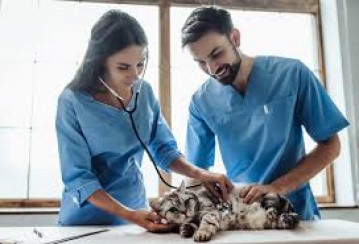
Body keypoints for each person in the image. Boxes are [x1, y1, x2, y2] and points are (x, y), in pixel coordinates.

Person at [55, 9, 233, 230]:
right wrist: (128, 214)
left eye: (140, 63)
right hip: (86, 220)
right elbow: (79, 178)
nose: (135, 75)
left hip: (137, 214)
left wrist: (201, 174)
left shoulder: (144, 92)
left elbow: (164, 149)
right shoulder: (72, 102)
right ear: (100, 62)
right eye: (123, 67)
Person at [181, 6, 349, 220]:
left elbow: (331, 145)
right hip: (244, 216)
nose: (212, 68)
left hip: (295, 212)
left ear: (235, 37)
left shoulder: (292, 75)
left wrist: (276, 188)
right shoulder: (201, 102)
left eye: (216, 54)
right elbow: (196, 175)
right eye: (201, 62)